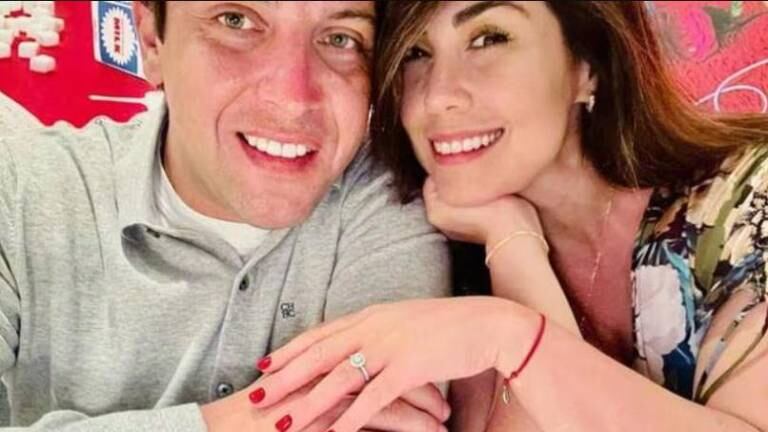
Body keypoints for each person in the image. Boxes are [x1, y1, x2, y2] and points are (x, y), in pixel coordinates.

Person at [248, 1, 768, 431]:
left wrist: (511, 337)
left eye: (489, 39)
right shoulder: (422, 246)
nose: (438, 96)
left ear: (587, 66)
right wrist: (511, 241)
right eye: (415, 54)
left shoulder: (744, 206)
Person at [0, 1, 453, 430]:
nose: (293, 99)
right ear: (153, 42)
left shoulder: (386, 195)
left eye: (340, 38)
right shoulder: (21, 191)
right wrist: (233, 423)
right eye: (235, 20)